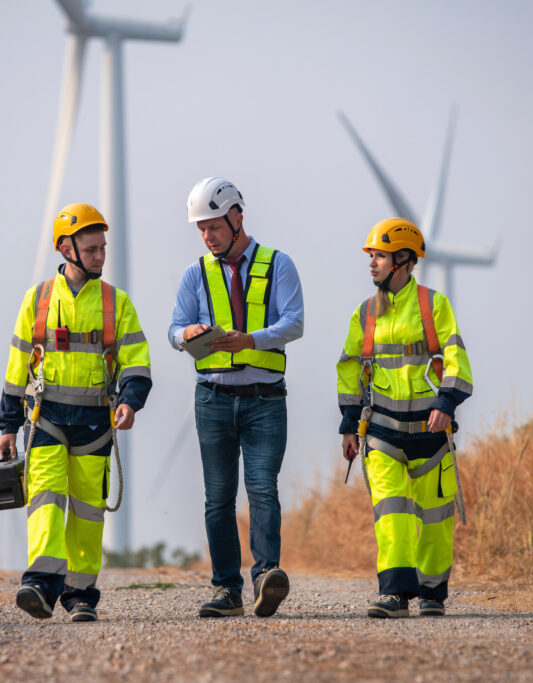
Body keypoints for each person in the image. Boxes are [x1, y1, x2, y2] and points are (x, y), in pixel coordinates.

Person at [0, 202, 151, 622]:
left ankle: (80, 594)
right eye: (92, 249)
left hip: (95, 424)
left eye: (103, 248)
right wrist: (8, 425)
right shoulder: (38, 299)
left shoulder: (116, 303)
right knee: (45, 499)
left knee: (87, 510)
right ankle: (40, 585)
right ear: (67, 249)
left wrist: (129, 401)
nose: (101, 256)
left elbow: (137, 362)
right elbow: (16, 366)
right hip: (44, 418)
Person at [169, 177, 304, 618]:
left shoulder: (278, 264)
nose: (207, 236)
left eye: (213, 226)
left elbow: (294, 323)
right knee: (218, 497)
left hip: (265, 399)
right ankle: (227, 591)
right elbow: (174, 328)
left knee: (262, 489)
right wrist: (183, 334)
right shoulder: (195, 274)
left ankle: (266, 577)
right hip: (212, 399)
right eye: (201, 229)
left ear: (236, 217)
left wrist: (251, 341)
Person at [336, 218, 473, 618]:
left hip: (431, 434)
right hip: (381, 433)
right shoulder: (364, 314)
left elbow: (456, 357)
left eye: (378, 256)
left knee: (435, 518)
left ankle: (432, 592)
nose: (372, 264)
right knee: (391, 511)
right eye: (372, 256)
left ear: (404, 260)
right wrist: (348, 425)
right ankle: (394, 594)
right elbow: (349, 369)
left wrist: (446, 403)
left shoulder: (434, 305)